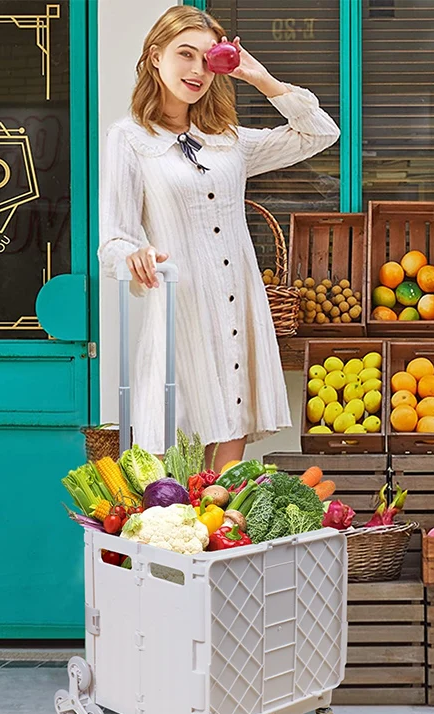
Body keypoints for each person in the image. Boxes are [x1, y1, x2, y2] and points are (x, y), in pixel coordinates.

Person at [98, 6, 339, 470]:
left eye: (208, 59)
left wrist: (260, 78)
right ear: (154, 57)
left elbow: (320, 133)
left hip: (238, 310)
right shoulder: (129, 139)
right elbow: (114, 242)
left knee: (226, 476)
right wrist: (137, 255)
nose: (196, 70)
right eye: (185, 54)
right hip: (182, 313)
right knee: (172, 468)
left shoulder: (228, 139)